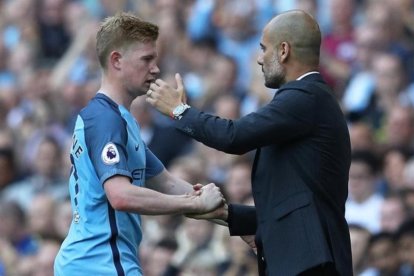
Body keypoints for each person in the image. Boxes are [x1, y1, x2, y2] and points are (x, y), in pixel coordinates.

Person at [147, 10, 353, 275]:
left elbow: (235, 136)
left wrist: (179, 111)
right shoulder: (308, 100)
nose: (258, 59)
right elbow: (293, 205)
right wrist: (228, 215)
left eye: (263, 48)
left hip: (311, 262)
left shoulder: (305, 96)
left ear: (284, 51)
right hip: (306, 260)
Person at [53, 12, 224, 276]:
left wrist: (233, 219)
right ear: (116, 61)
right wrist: (192, 205)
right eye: (146, 59)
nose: (155, 68)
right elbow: (121, 195)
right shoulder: (105, 119)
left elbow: (167, 183)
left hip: (98, 261)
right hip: (99, 263)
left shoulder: (121, 120)